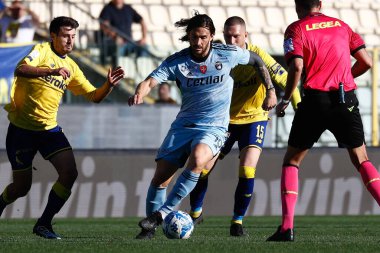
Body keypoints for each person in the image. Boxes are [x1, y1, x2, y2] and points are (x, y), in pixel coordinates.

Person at [128, 12, 277, 240]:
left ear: (211, 37)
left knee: (198, 159)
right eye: (194, 37)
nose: (198, 42)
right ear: (188, 36)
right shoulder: (178, 61)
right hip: (183, 126)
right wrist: (140, 91)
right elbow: (150, 81)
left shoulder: (228, 54)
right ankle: (149, 230)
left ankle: (163, 213)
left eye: (203, 37)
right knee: (160, 179)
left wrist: (271, 89)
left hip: (214, 128)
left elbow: (257, 61)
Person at [1, 16, 125, 239]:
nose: (70, 41)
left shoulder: (72, 67)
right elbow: (21, 69)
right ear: (53, 36)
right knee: (21, 188)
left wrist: (108, 86)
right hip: (21, 130)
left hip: (49, 131)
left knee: (69, 172)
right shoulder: (41, 50)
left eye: (73, 36)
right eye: (66, 36)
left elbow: (94, 96)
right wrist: (50, 71)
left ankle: (44, 224)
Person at [266, 0, 379, 242]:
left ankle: (287, 228)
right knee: (361, 160)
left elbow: (296, 66)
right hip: (344, 98)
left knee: (292, 161)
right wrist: (346, 77)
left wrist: (286, 98)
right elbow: (367, 62)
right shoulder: (342, 25)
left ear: (298, 6)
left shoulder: (295, 29)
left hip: (315, 101)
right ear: (320, 4)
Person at [188, 16, 301, 237]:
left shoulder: (258, 56)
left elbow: (286, 78)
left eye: (236, 36)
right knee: (201, 167)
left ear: (245, 36)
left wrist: (299, 110)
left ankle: (237, 222)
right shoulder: (218, 55)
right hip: (224, 121)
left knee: (247, 168)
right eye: (228, 36)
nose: (231, 40)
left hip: (254, 118)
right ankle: (194, 213)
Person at [99, 0, 148, 65]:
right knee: (117, 52)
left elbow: (141, 21)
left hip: (130, 42)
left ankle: (141, 70)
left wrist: (144, 38)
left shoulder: (128, 8)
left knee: (144, 47)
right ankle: (116, 72)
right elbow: (104, 26)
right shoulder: (107, 9)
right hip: (115, 44)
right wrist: (115, 37)